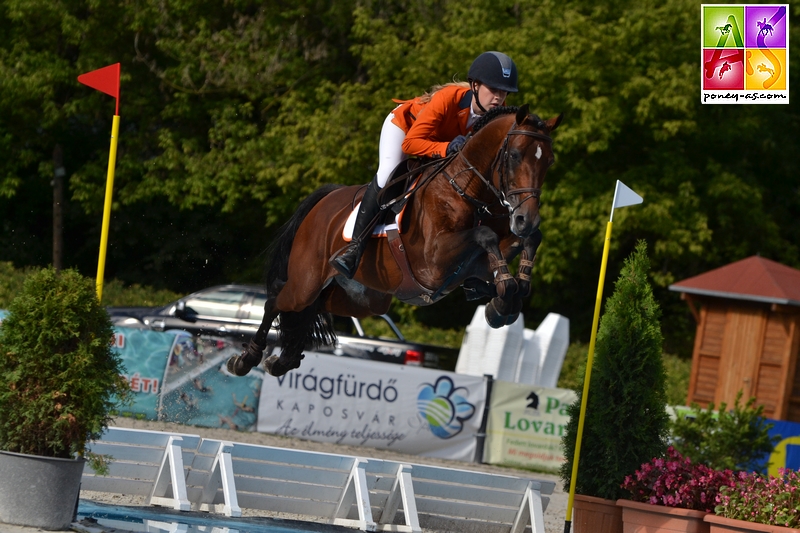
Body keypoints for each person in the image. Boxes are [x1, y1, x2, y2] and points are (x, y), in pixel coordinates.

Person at [330, 51, 519, 279]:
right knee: (387, 174)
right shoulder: (448, 98)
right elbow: (411, 144)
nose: (499, 97)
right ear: (475, 86)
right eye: (494, 89)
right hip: (405, 129)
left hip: (443, 143)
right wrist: (446, 147)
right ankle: (353, 250)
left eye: (504, 91)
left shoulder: (497, 112)